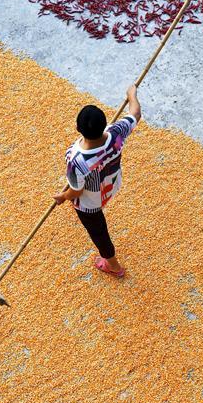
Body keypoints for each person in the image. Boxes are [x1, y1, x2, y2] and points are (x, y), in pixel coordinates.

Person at [53, 85, 141, 278]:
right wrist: (132, 95)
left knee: (99, 232)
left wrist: (63, 196)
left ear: (78, 128)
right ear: (104, 124)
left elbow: (75, 191)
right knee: (99, 222)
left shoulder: (76, 160)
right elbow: (135, 113)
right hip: (111, 185)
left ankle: (114, 266)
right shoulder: (116, 133)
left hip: (89, 203)